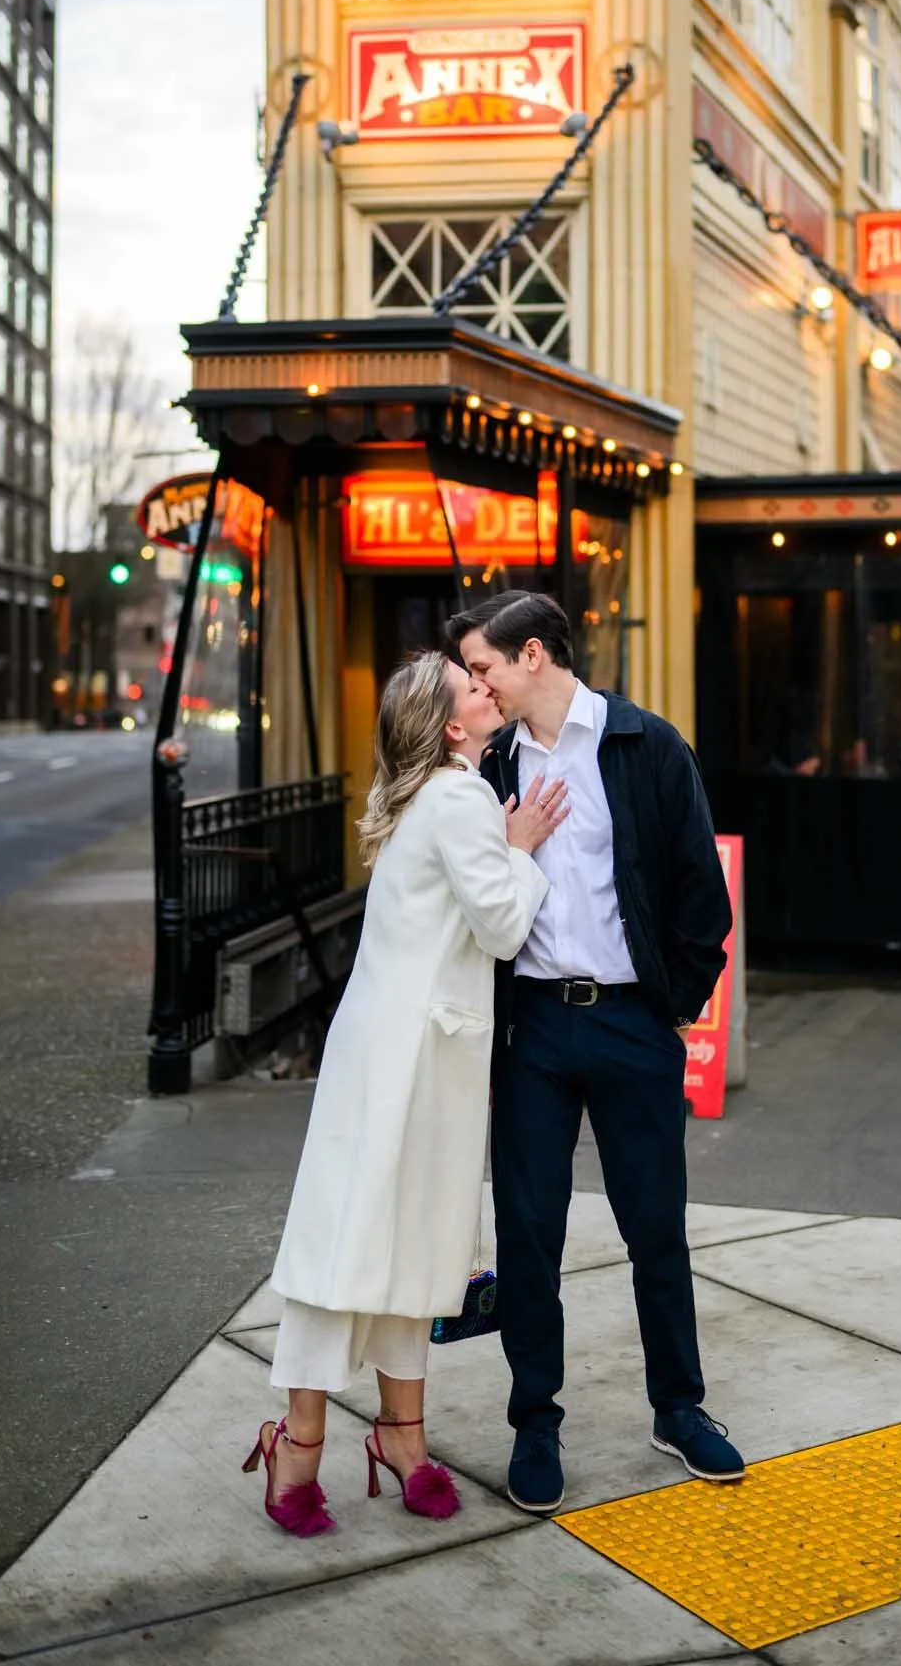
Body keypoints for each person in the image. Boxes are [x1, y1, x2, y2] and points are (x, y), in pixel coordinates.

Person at [249, 650, 568, 1536]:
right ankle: (304, 1444)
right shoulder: (462, 796)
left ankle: (396, 1439)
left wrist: (505, 852)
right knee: (372, 1248)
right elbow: (504, 928)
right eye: (470, 683)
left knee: (383, 1245)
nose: (485, 682)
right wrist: (524, 849)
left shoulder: (421, 798)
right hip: (416, 1063)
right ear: (453, 727)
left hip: (400, 1056)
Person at [449, 589, 745, 1514]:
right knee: (531, 1234)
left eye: (484, 666)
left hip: (631, 1023)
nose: (477, 684)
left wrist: (672, 1007)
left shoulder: (645, 745)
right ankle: (535, 1421)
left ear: (532, 655)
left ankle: (679, 1407)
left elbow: (703, 896)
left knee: (654, 1226)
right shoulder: (489, 762)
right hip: (531, 1028)